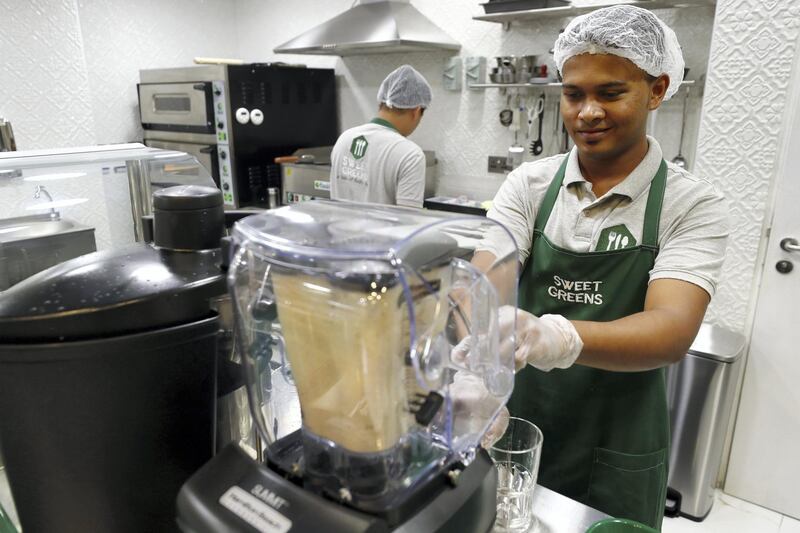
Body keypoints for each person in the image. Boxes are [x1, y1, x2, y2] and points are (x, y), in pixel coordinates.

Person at [473, 5, 729, 529]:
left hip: (619, 437)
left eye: (611, 93)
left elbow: (670, 331)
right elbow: (486, 281)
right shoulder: (529, 186)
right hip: (519, 420)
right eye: (573, 94)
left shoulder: (692, 205)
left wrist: (556, 337)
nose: (587, 112)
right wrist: (472, 340)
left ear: (656, 90)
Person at [330, 65, 431, 208]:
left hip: (338, 229)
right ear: (416, 111)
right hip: (380, 231)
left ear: (381, 102)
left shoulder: (345, 138)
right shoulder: (410, 155)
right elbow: (408, 218)